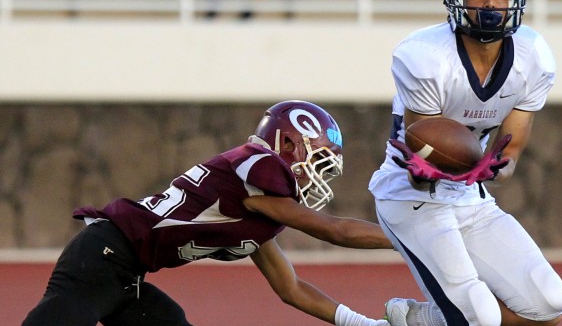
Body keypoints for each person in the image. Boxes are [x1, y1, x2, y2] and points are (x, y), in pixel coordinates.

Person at [23, 100, 392, 326]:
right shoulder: (258, 169)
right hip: (102, 258)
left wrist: (363, 323)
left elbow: (290, 289)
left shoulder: (259, 206)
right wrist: (407, 239)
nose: (318, 176)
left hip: (124, 273)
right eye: (319, 161)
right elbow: (334, 231)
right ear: (289, 145)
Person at [369, 0, 562, 326]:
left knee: (548, 303)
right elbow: (422, 155)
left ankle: (417, 319)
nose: (489, 4)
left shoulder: (533, 57)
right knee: (479, 316)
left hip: (470, 195)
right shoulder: (425, 56)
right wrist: (441, 169)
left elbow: (509, 156)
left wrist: (490, 170)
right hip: (413, 196)